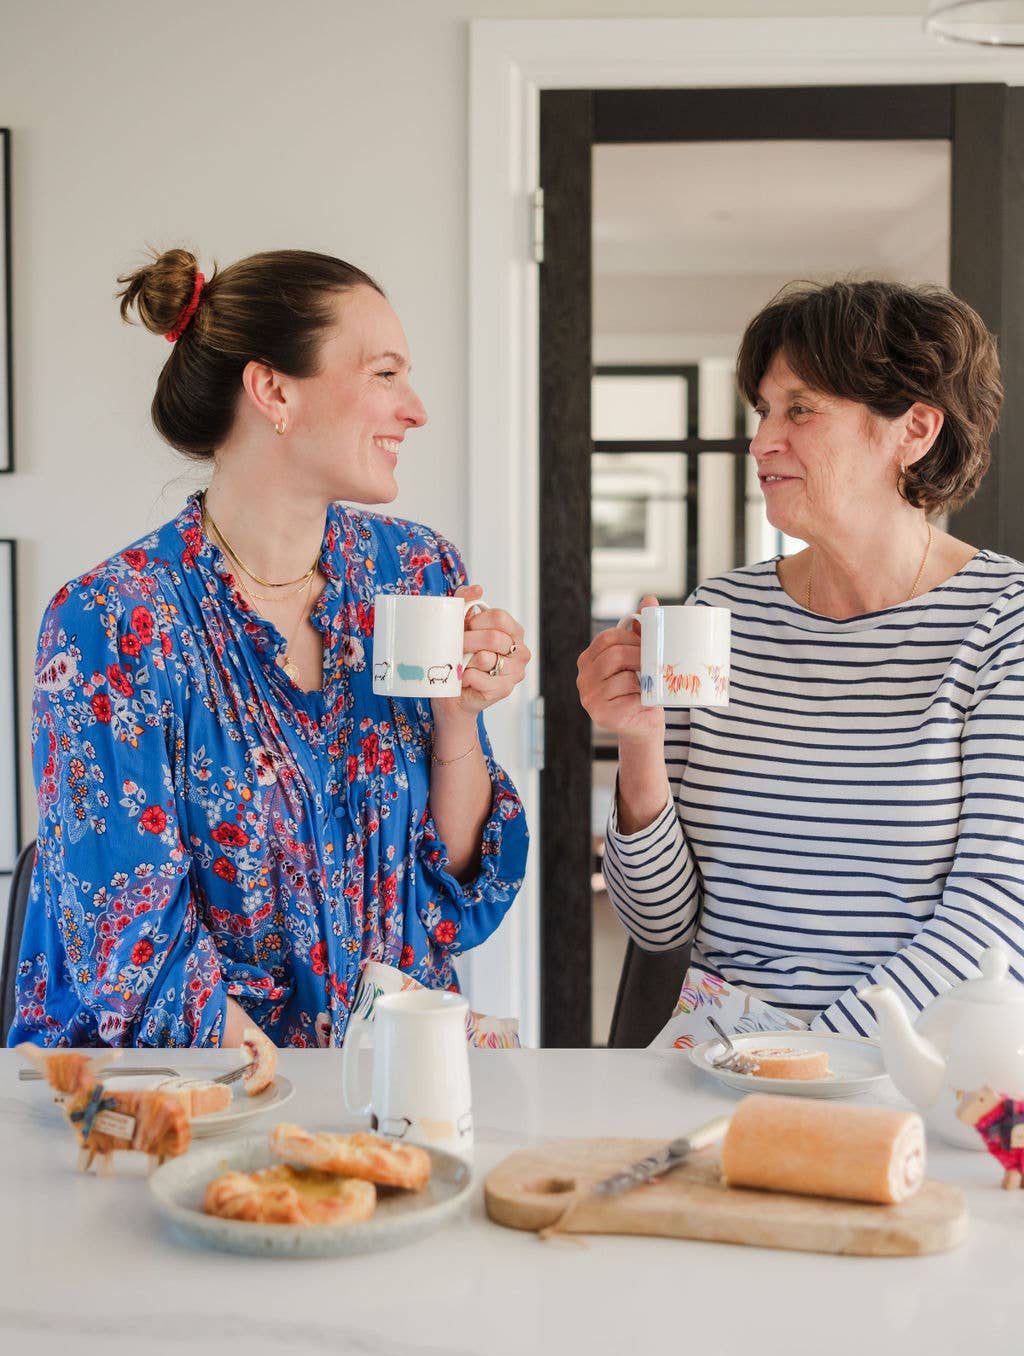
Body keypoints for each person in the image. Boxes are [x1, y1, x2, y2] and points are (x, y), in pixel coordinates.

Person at [11, 248, 530, 1048]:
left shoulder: (417, 571)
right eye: (386, 374)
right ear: (274, 391)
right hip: (185, 1095)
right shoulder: (111, 622)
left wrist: (457, 718)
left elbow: (445, 898)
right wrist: (291, 1111)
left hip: (385, 1080)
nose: (415, 409)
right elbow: (127, 941)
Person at [578, 279, 1024, 1037]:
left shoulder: (1003, 622)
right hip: (715, 1065)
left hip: (910, 1074)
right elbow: (657, 924)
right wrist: (640, 741)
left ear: (914, 429)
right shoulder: (721, 613)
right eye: (763, 411)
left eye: (801, 409)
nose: (761, 442)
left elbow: (997, 918)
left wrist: (802, 1061)